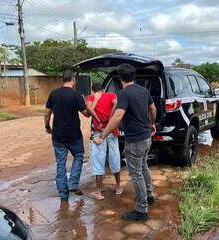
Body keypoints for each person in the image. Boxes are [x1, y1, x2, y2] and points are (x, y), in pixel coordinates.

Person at [94, 63, 157, 221]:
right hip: (146, 138)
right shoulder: (143, 90)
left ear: (120, 78)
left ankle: (142, 210)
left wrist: (102, 136)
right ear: (133, 76)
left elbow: (117, 116)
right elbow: (153, 109)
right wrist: (152, 124)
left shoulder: (124, 93)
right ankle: (149, 196)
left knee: (136, 174)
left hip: (135, 140)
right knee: (143, 167)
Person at [45, 69, 98, 201]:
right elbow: (86, 114)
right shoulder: (76, 95)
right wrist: (93, 103)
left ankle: (63, 193)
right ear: (73, 80)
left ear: (62, 80)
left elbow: (47, 114)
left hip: (58, 135)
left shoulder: (53, 94)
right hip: (74, 135)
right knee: (79, 156)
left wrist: (48, 127)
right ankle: (73, 183)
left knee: (60, 163)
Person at [86, 82, 123, 200]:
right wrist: (111, 117)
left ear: (93, 90)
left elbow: (89, 108)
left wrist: (98, 120)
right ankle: (118, 187)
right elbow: (116, 104)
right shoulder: (111, 95)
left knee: (98, 160)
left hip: (98, 132)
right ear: (103, 89)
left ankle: (98, 191)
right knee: (114, 157)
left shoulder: (92, 97)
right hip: (111, 131)